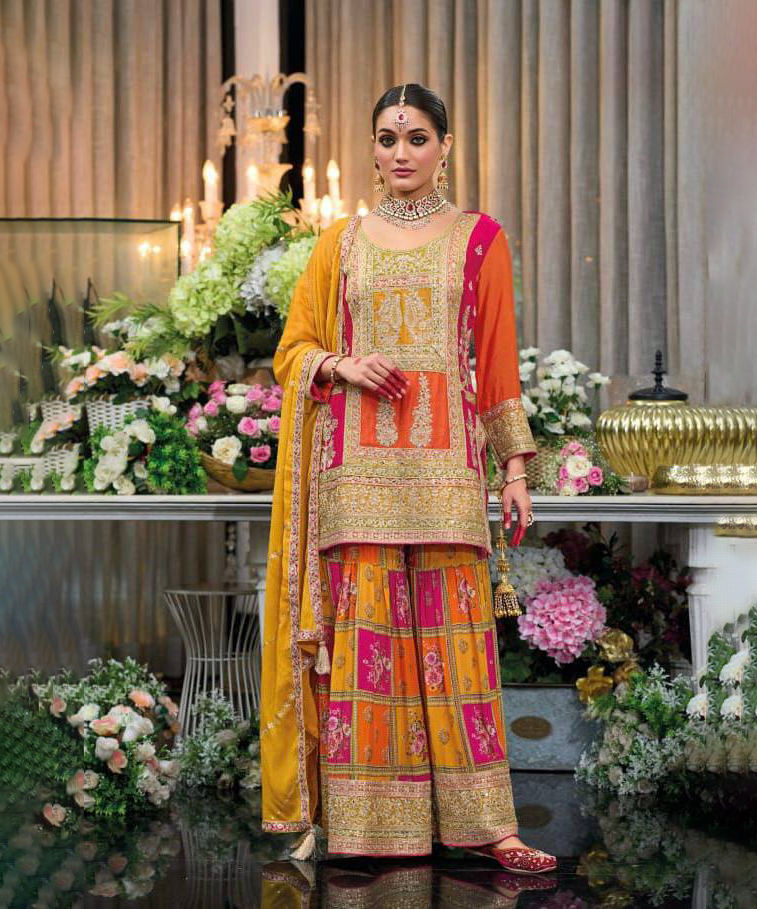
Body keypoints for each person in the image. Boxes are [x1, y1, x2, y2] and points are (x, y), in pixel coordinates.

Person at [261, 82, 556, 875]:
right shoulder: (339, 244)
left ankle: (490, 827)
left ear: (445, 147)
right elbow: (292, 351)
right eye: (388, 139)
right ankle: (365, 828)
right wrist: (341, 363)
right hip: (355, 477)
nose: (401, 153)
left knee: (460, 659)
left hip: (446, 474)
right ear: (372, 148)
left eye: (417, 138)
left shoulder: (479, 238)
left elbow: (495, 361)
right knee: (367, 659)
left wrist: (515, 468)